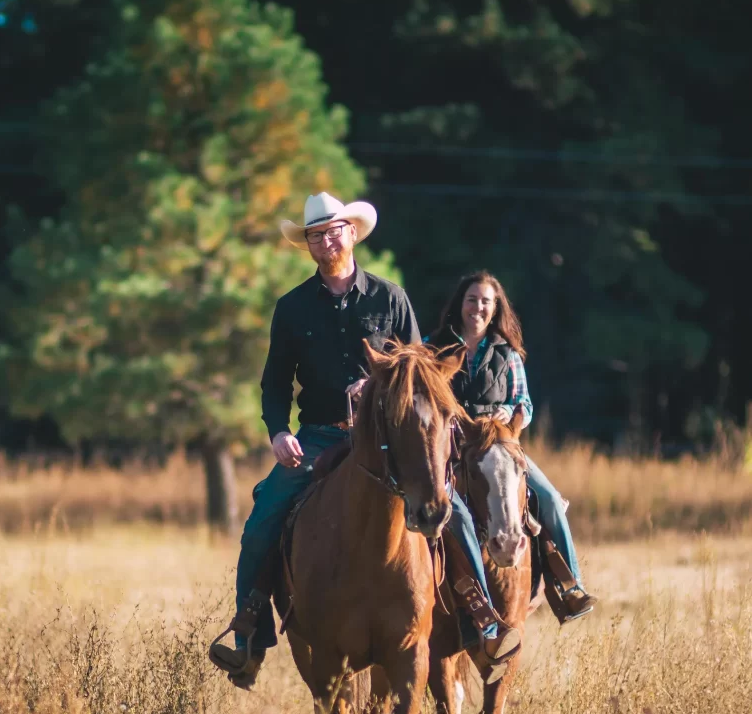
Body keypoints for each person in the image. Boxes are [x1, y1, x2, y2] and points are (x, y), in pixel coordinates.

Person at [210, 193, 519, 688]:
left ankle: (481, 618)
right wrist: (278, 432)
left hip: (389, 438)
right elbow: (274, 383)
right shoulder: (291, 308)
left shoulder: (390, 298)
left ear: (352, 234)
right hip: (317, 435)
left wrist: (376, 385)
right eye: (315, 235)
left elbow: (420, 368)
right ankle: (249, 633)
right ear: (308, 245)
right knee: (265, 513)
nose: (325, 240)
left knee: (451, 507)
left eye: (334, 230)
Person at [427, 270, 599, 623]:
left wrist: (510, 411)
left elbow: (526, 405)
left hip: (500, 448)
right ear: (460, 304)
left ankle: (570, 585)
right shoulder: (434, 347)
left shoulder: (508, 354)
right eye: (472, 299)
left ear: (495, 308)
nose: (478, 307)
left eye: (485, 302)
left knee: (548, 498)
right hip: (452, 449)